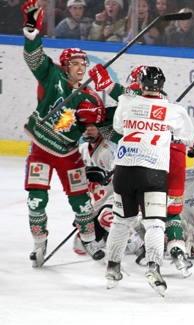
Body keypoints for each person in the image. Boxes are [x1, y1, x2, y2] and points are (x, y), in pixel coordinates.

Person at [21, 0, 106, 267]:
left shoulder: (90, 96)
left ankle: (90, 241)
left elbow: (94, 128)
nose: (81, 67)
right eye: (76, 63)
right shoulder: (51, 75)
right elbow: (33, 55)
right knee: (36, 200)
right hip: (42, 150)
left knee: (82, 203)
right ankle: (39, 243)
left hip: (69, 155)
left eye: (84, 63)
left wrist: (92, 128)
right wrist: (32, 27)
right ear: (66, 65)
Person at [104, 67, 194, 294]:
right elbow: (190, 138)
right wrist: (172, 134)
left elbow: (118, 127)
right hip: (153, 174)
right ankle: (154, 268)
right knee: (155, 223)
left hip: (124, 171)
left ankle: (112, 268)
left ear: (139, 83)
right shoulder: (174, 109)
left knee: (121, 222)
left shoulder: (126, 101)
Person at [73, 124, 146, 263]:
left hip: (119, 198)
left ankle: (141, 248)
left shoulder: (111, 149)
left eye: (93, 126)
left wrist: (104, 176)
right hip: (99, 204)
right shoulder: (81, 151)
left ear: (101, 128)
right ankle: (110, 236)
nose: (88, 129)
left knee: (106, 217)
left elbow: (126, 177)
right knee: (80, 244)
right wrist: (84, 214)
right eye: (87, 126)